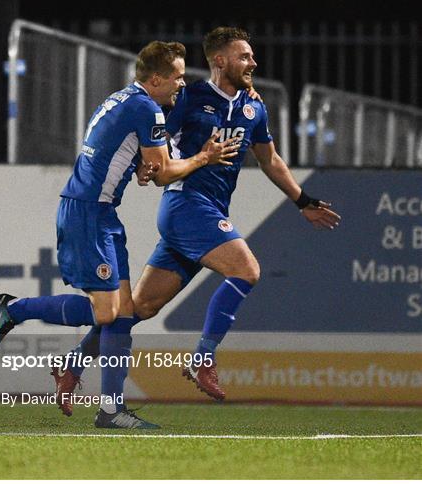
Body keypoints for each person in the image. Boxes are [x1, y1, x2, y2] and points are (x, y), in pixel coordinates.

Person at [52, 26, 341, 413]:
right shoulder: (190, 97)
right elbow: (151, 131)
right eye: (244, 56)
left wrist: (302, 200)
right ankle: (203, 357)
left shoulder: (255, 107)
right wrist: (147, 166)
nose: (253, 62)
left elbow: (269, 159)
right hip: (186, 203)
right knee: (246, 270)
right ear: (219, 60)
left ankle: (70, 364)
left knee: (139, 307)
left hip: (207, 212)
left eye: (252, 56)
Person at [0, 40, 239, 429]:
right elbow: (166, 173)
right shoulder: (148, 109)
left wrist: (143, 165)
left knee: (124, 315)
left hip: (102, 214)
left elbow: (131, 156)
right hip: (87, 214)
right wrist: (205, 156)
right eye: (177, 78)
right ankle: (13, 309)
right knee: (111, 313)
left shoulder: (123, 99)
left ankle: (111, 410)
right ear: (155, 79)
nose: (181, 86)